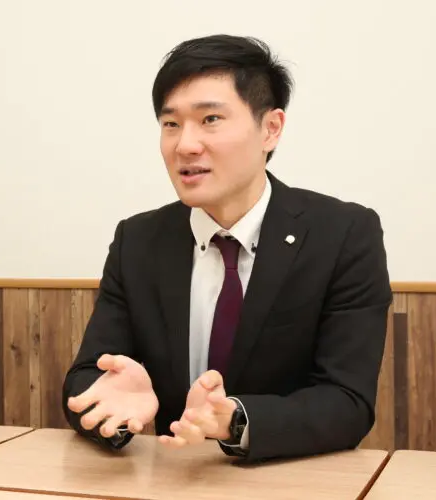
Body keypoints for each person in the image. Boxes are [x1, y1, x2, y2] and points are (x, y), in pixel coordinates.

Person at [62, 34, 392, 462]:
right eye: (171, 124)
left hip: (290, 480)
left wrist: (235, 419)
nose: (185, 145)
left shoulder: (343, 234)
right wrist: (112, 407)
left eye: (211, 119)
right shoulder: (138, 240)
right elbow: (87, 377)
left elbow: (348, 402)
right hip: (171, 480)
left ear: (270, 129)